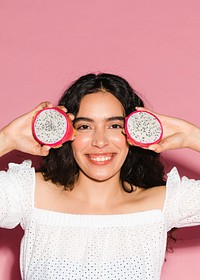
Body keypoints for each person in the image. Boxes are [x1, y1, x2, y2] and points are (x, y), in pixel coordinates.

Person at [0, 73, 200, 280]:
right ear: (68, 132)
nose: (100, 141)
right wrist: (7, 138)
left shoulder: (161, 205)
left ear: (132, 133)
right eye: (84, 126)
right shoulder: (29, 194)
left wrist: (191, 135)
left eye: (115, 126)